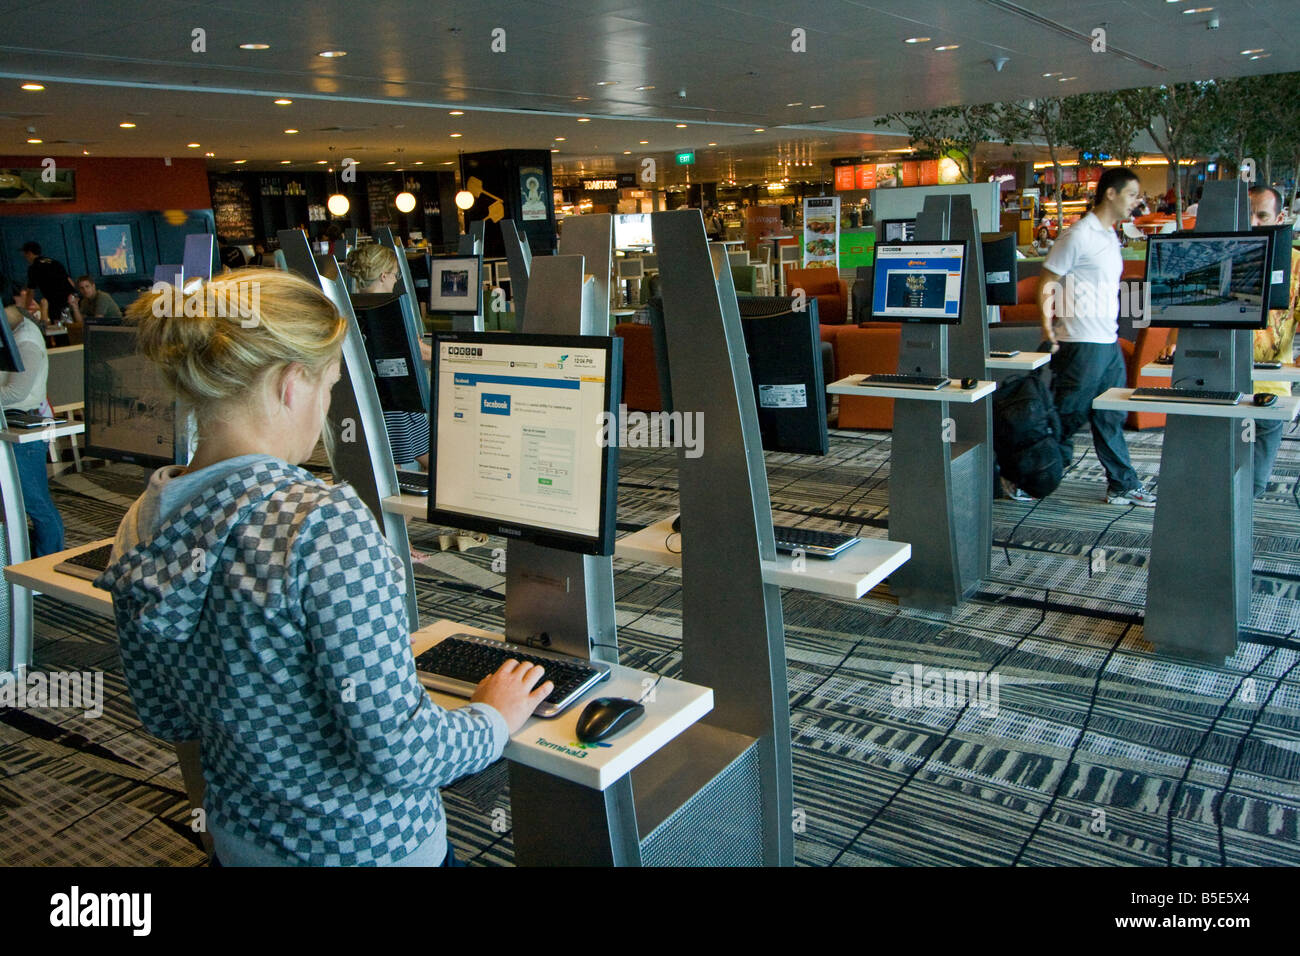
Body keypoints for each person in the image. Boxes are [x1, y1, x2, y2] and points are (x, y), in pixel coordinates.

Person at [95, 269, 552, 866]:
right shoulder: (321, 524)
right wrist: (495, 714)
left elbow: (165, 715)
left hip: (241, 843)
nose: (326, 408)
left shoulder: (142, 519)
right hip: (370, 850)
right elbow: (405, 754)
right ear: (291, 384)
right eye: (330, 386)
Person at [1158, 185, 1299, 497]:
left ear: (1280, 217)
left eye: (1262, 216)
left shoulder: (1295, 266)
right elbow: (1187, 309)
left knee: (1251, 487)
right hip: (1216, 384)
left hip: (1268, 392)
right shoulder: (1218, 256)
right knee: (1206, 485)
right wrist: (1172, 343)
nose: (1253, 223)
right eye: (1247, 215)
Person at [1037, 166, 1156, 507]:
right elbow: (1047, 282)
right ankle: (1025, 476)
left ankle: (1122, 483)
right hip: (1079, 343)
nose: (1137, 201)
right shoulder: (1078, 236)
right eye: (1132, 194)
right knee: (1065, 417)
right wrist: (1048, 328)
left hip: (1107, 343)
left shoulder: (1108, 237)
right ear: (1111, 194)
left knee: (1109, 416)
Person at [345, 243, 430, 471]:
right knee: (429, 462)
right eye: (395, 275)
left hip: (373, 400)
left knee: (395, 469)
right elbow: (419, 352)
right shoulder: (391, 311)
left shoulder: (350, 307)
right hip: (400, 403)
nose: (395, 281)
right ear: (383, 276)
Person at [0, 294, 65, 556]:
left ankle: (49, 561)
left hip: (25, 425)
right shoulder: (11, 332)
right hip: (12, 422)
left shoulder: (26, 339)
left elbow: (16, 392)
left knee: (35, 503)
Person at [20, 241, 74, 327]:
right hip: (70, 299)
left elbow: (31, 291)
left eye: (25, 255)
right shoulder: (55, 262)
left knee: (58, 328)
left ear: (29, 253)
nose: (25, 257)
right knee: (73, 327)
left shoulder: (33, 268)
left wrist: (25, 309)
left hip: (55, 302)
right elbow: (69, 281)